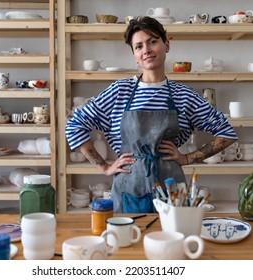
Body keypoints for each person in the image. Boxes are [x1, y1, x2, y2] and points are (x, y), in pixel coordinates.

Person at [65, 16, 238, 213]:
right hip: (129, 184)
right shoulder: (119, 91)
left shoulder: (183, 95)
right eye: (138, 46)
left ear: (166, 45)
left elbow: (227, 133)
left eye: (153, 42)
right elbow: (74, 125)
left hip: (171, 186)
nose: (146, 50)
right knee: (130, 239)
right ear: (134, 55)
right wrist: (104, 167)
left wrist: (189, 158)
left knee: (173, 238)